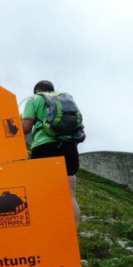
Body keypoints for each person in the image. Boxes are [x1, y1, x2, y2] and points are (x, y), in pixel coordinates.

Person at [22, 80, 82, 229]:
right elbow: (80, 126)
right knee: (70, 194)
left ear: (37, 90)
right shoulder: (67, 100)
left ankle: (47, 231)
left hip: (44, 147)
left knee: (42, 192)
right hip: (68, 147)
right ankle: (72, 234)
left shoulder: (35, 99)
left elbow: (26, 128)